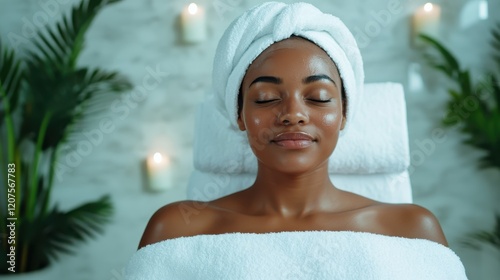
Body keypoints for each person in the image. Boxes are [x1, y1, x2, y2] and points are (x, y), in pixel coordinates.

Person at [137, 7, 448, 249]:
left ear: (343, 113)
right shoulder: (177, 230)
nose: (293, 114)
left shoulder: (412, 231)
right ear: (240, 115)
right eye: (266, 98)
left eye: (318, 97)